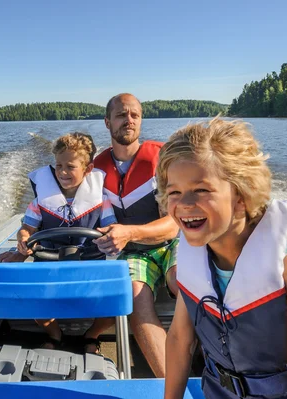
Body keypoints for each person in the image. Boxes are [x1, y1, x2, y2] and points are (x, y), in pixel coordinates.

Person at [159, 118, 287, 399]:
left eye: (201, 190)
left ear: (241, 194)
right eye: (174, 192)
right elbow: (179, 339)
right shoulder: (192, 259)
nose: (184, 204)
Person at [0, 132, 117, 354]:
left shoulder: (102, 201)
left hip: (90, 265)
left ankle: (91, 334)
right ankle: (55, 334)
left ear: (87, 169)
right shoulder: (40, 201)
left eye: (70, 166)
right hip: (49, 265)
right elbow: (27, 228)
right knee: (37, 307)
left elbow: (111, 228)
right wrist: (23, 238)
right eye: (58, 165)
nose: (62, 172)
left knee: (113, 309)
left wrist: (109, 235)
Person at [92, 93, 179, 377]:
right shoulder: (94, 169)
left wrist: (130, 232)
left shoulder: (162, 160)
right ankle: (172, 386)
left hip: (172, 241)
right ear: (107, 123)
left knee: (184, 281)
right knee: (135, 297)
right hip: (130, 252)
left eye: (135, 115)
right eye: (121, 115)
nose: (128, 120)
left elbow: (175, 223)